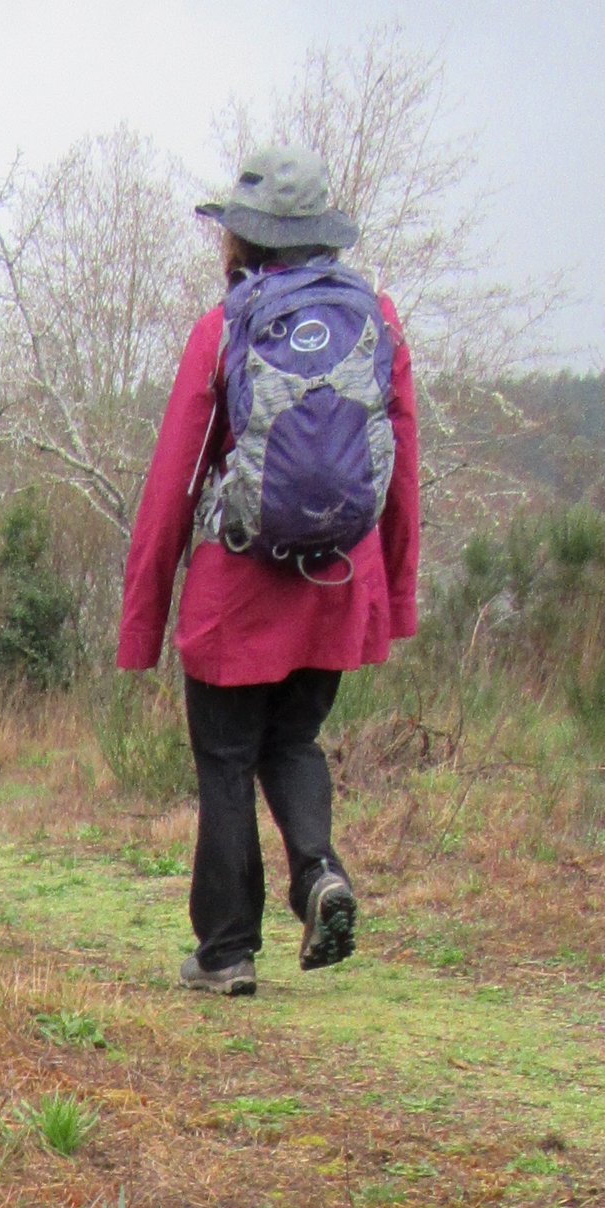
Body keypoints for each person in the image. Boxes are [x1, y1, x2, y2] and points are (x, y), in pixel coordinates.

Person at [118, 142, 420, 998]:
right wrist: (391, 598)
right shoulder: (380, 322)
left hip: (237, 589)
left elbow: (174, 479)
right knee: (293, 740)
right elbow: (403, 474)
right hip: (336, 585)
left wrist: (142, 618)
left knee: (224, 756)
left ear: (244, 241)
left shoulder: (224, 330)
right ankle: (319, 872)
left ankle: (225, 951)